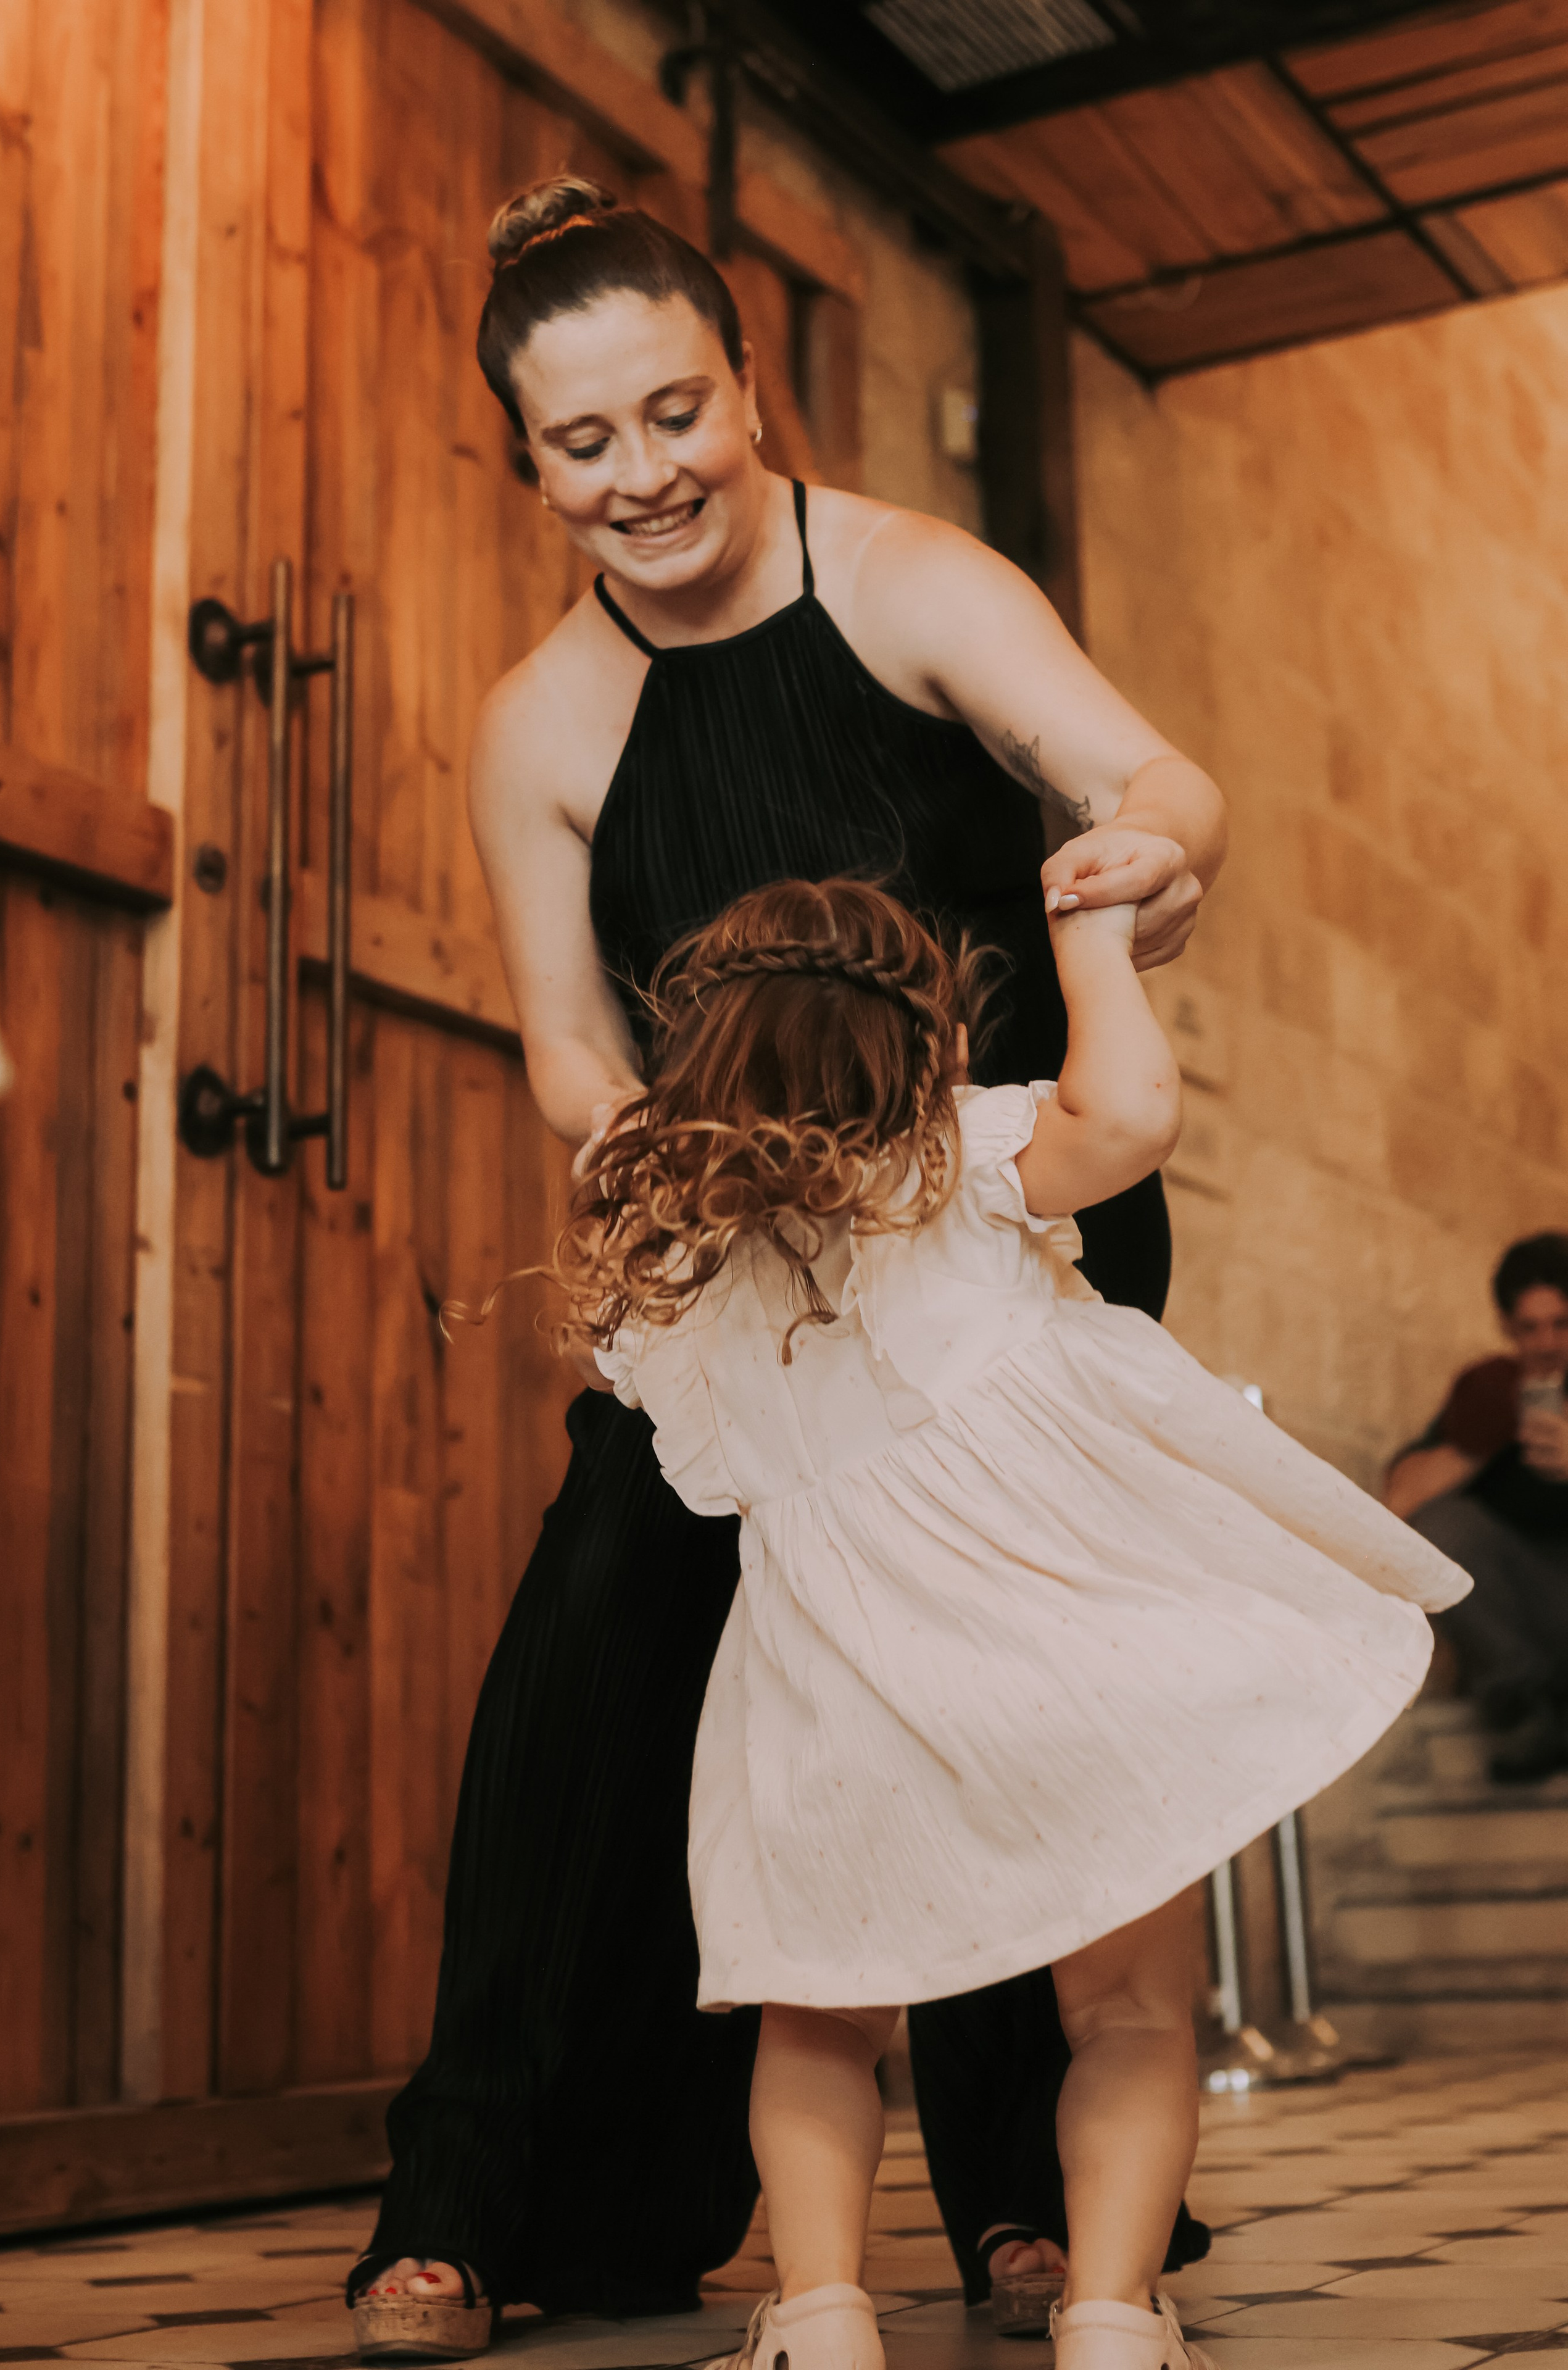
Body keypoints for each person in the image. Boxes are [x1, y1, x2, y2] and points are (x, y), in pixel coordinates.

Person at [349, 175, 1228, 2361]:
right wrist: (675, 1156)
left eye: (676, 410)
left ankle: (1029, 2212)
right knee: (593, 1670)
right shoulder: (540, 721)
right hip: (732, 1277)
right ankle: (485, 2205)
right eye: (584, 442)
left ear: (754, 387)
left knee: (1010, 1699)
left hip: (1002, 1248)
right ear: (529, 459)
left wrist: (1152, 843)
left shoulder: (911, 581)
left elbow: (1140, 769)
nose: (642, 473)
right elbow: (566, 1040)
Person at [554, 875, 1467, 2370]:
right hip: (1071, 1661)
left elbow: (698, 1468)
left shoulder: (675, 1261)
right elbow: (1131, 1114)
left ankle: (824, 2312)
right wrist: (1091, 945)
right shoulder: (958, 1154)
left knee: (820, 2023)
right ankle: (1108, 2311)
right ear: (930, 1042)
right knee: (1125, 2015)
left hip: (827, 1687)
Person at [1387, 1234, 1568, 1784]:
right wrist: (1482, 1435)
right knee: (1441, 1527)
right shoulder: (1492, 1393)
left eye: (1561, 1324)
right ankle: (1528, 1703)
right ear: (1508, 1330)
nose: (1546, 1343)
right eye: (1529, 1327)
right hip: (1527, 1617)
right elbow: (1398, 1505)